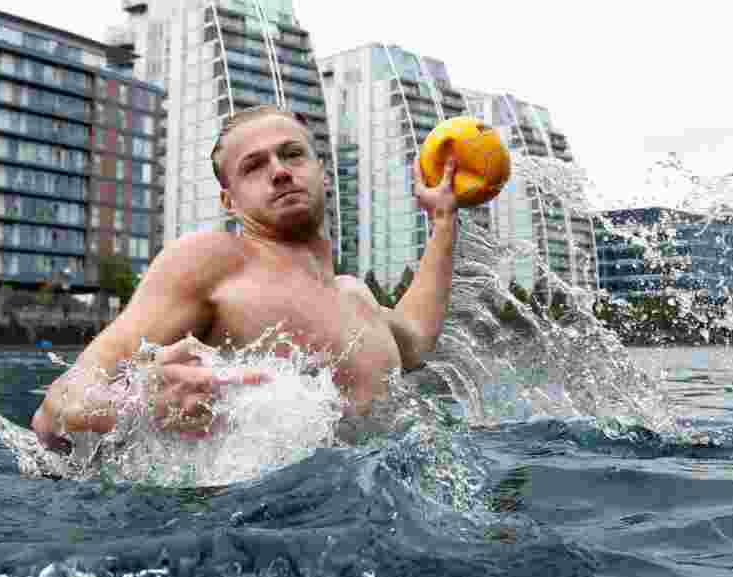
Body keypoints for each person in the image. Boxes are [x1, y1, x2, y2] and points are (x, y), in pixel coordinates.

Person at [31, 105, 460, 448]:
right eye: (254, 165)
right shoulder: (213, 261)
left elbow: (418, 337)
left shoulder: (356, 297)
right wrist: (137, 405)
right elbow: (57, 408)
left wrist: (443, 221)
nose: (279, 170)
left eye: (293, 154)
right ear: (229, 200)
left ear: (323, 173)